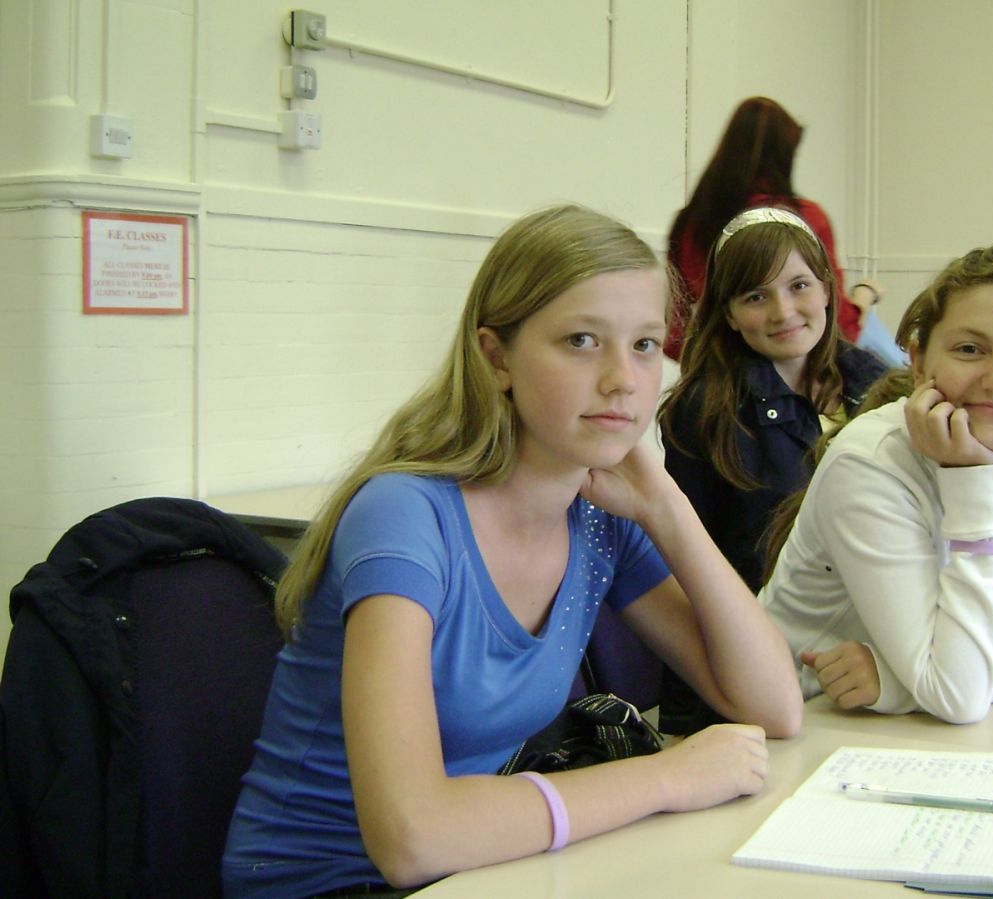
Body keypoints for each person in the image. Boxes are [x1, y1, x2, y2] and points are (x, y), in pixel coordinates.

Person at [221, 205, 802, 898]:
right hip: (331, 885)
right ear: (497, 357)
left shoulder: (600, 518)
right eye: (583, 340)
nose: (623, 378)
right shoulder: (406, 515)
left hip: (483, 869)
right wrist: (667, 778)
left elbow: (774, 707)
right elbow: (410, 838)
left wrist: (670, 511)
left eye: (646, 344)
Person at [759, 241, 993, 725]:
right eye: (970, 349)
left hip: (906, 720)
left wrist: (901, 685)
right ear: (920, 361)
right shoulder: (870, 462)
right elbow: (957, 696)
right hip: (803, 723)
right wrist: (976, 478)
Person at [653, 207, 886, 732]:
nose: (784, 311)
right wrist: (693, 718)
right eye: (756, 297)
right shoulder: (705, 411)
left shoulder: (877, 386)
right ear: (730, 315)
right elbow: (687, 567)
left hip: (873, 656)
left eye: (799, 286)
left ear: (826, 289)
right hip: (763, 671)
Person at [665, 96, 869, 357]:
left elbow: (674, 334)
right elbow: (842, 325)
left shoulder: (690, 224)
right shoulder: (805, 219)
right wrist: (864, 296)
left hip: (717, 367)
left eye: (797, 287)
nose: (782, 312)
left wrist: (712, 361)